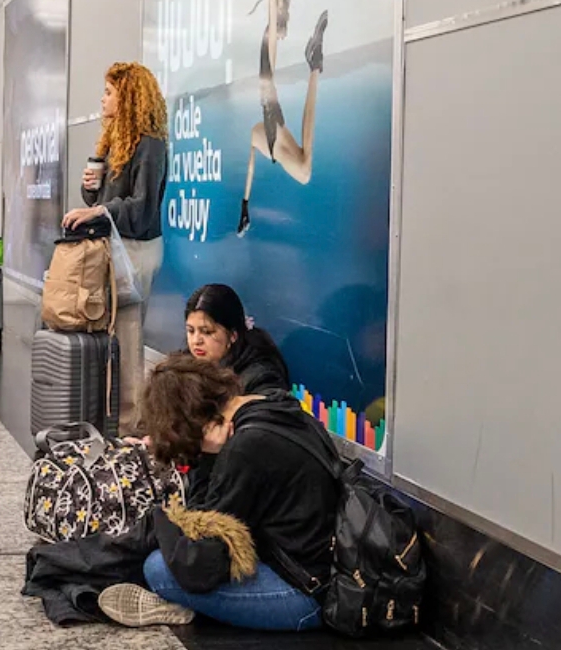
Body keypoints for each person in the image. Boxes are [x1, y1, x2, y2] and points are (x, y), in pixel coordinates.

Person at [98, 354, 339, 631]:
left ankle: (182, 606)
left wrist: (163, 516)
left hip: (304, 597)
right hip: (325, 568)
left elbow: (202, 558)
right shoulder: (273, 404)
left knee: (158, 569)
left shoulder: (245, 448)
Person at [62, 62, 169, 436]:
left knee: (128, 338)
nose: (103, 98)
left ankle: (130, 428)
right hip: (116, 248)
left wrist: (99, 208)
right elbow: (108, 200)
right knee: (112, 339)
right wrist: (93, 189)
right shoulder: (114, 141)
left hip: (137, 251)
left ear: (128, 96)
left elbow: (141, 210)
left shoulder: (150, 145)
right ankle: (115, 422)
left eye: (109, 92)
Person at [240, 2, 328, 236]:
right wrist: (245, 205)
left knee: (305, 171)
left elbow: (249, 167)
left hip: (271, 130)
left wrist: (245, 205)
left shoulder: (256, 132)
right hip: (273, 130)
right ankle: (314, 63)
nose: (282, 35)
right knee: (305, 166)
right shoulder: (256, 132)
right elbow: (249, 166)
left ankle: (314, 64)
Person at [184, 284, 290, 395]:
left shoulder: (261, 378)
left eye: (207, 332)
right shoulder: (182, 367)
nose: (196, 341)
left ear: (233, 335)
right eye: (191, 331)